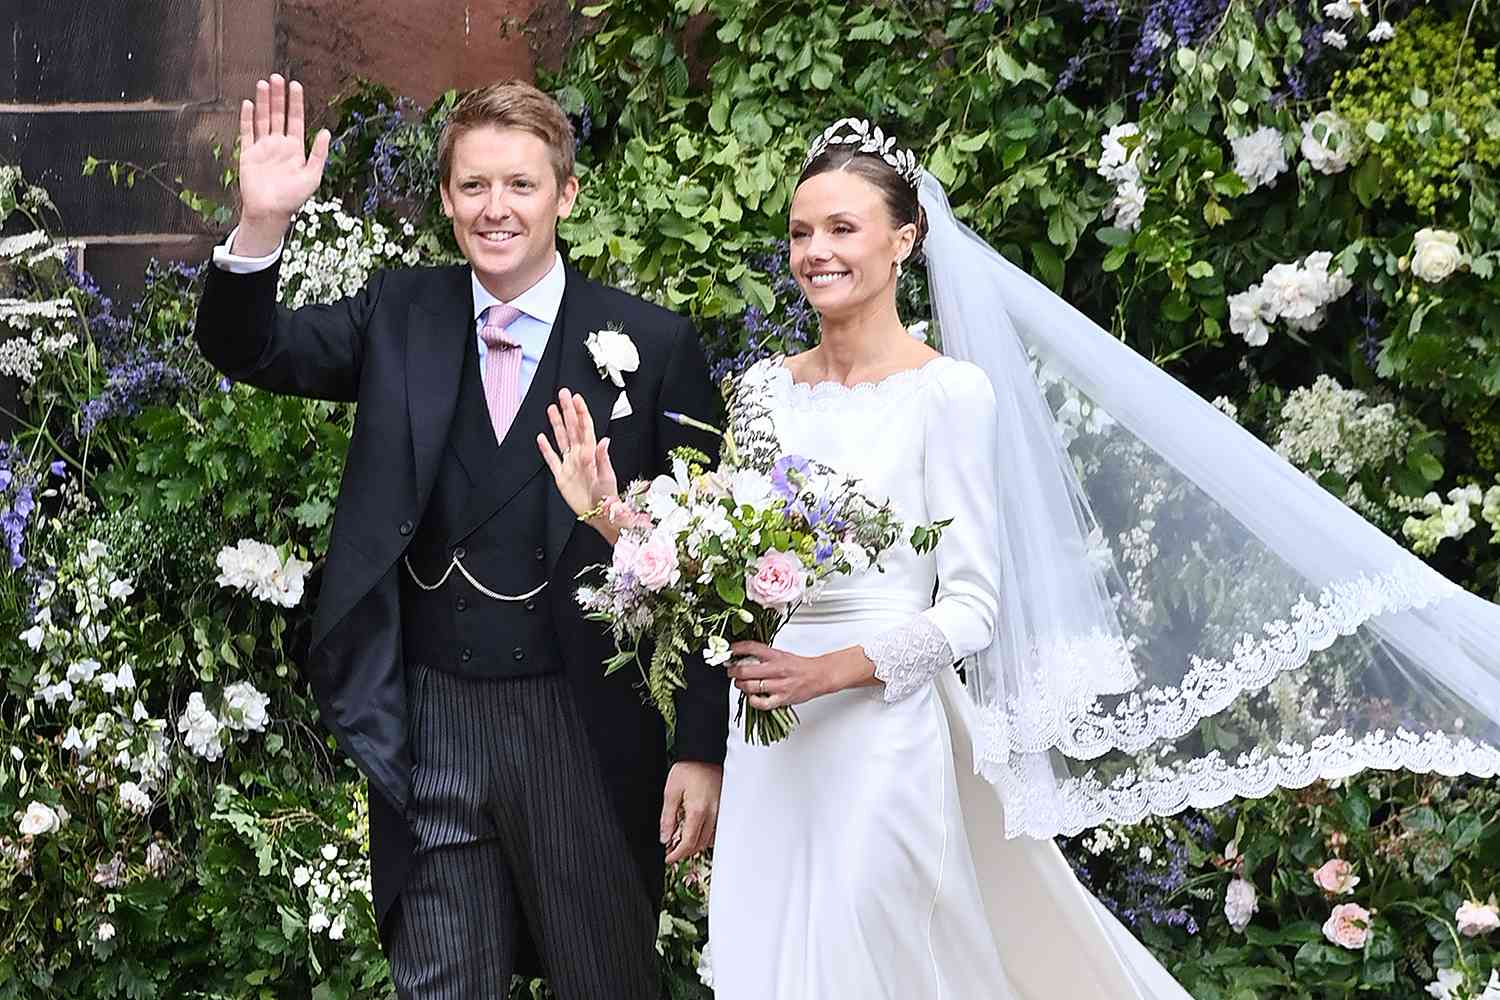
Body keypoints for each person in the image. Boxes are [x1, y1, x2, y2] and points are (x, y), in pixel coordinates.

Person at [547, 117, 1500, 997]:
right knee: (762, 967)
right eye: (802, 233)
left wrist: (826, 671)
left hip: (879, 736)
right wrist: (610, 522)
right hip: (773, 755)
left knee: (869, 960)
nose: (817, 253)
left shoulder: (947, 395)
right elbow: (715, 568)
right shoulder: (760, 392)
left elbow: (970, 608)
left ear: (903, 240)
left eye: (842, 229)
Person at [193, 74, 728, 999]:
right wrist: (262, 228)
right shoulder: (401, 315)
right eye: (474, 186)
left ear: (565, 194)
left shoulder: (652, 342)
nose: (496, 209)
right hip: (436, 717)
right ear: (445, 199)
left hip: (583, 727)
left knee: (607, 980)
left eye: (520, 185)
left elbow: (709, 567)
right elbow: (252, 349)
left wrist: (700, 746)